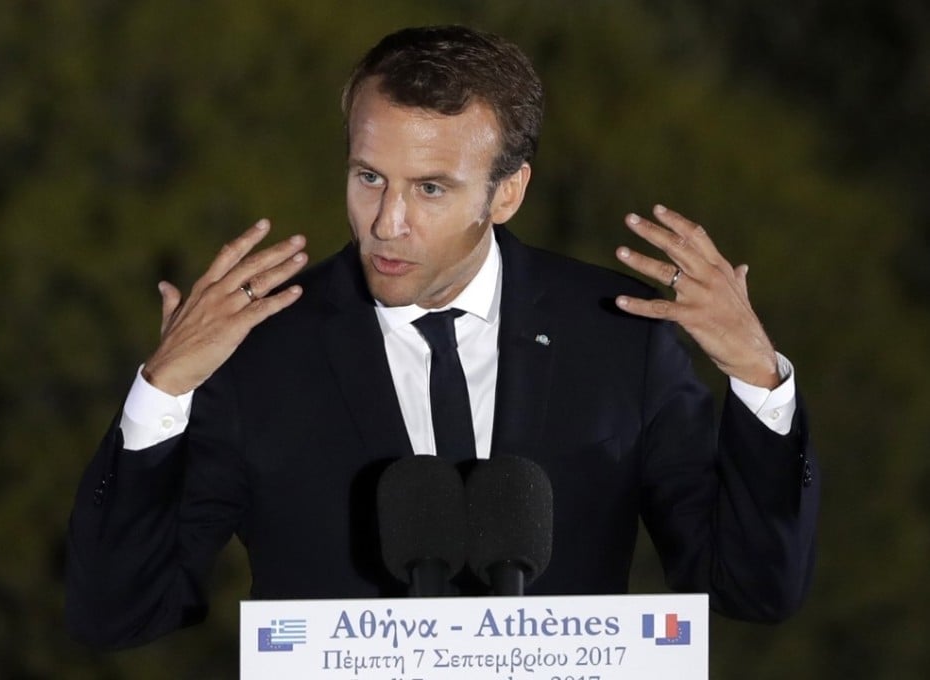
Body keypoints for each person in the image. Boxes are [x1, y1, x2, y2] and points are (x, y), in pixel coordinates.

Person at [65, 25, 818, 650]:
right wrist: (161, 394)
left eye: (430, 188)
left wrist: (757, 376)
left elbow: (751, 588)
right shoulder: (260, 347)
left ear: (508, 192)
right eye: (369, 178)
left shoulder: (620, 336)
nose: (387, 222)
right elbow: (121, 612)